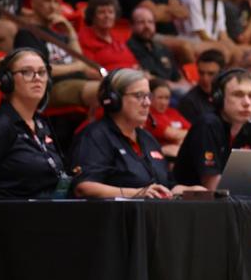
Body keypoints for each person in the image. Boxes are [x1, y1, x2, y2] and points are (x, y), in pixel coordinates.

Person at [69, 68, 201, 199]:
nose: (147, 103)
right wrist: (136, 193)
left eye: (148, 96)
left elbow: (166, 185)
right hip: (116, 217)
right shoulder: (95, 136)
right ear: (114, 99)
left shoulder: (147, 138)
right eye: (139, 96)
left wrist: (190, 190)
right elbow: (84, 187)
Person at [0, 48, 69, 200]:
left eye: (42, 72)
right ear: (7, 80)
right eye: (27, 72)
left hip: (45, 216)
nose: (37, 78)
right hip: (5, 219)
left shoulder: (41, 123)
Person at [13, 0, 101, 112]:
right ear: (33, 4)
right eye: (47, 1)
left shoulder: (60, 34)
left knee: (120, 86)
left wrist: (71, 32)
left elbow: (80, 59)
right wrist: (77, 67)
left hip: (77, 82)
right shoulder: (27, 34)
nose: (53, 6)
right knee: (105, 91)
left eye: (56, 1)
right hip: (52, 87)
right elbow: (40, 69)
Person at [173, 67, 251, 190]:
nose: (247, 102)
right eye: (238, 95)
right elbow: (212, 186)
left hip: (233, 201)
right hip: (189, 202)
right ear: (219, 98)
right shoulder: (207, 125)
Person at [78, 0, 139, 72]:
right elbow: (89, 70)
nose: (107, 16)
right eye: (101, 12)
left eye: (110, 12)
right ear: (92, 16)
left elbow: (133, 62)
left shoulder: (119, 37)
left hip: (132, 76)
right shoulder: (85, 37)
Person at [177, 47, 225, 123]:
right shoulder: (189, 102)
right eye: (201, 73)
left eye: (211, 74)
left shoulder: (230, 96)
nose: (205, 79)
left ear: (222, 73)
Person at [146, 77, 190, 156]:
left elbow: (193, 131)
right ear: (150, 97)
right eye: (160, 98)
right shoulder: (148, 115)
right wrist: (180, 136)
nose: (164, 102)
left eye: (166, 98)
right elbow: (172, 135)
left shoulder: (172, 112)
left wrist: (179, 138)